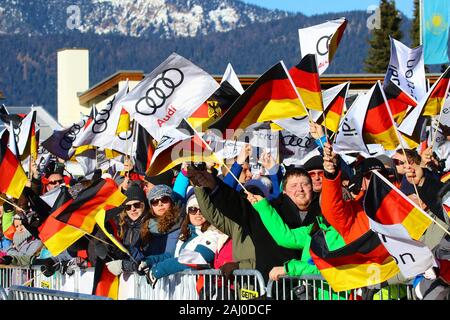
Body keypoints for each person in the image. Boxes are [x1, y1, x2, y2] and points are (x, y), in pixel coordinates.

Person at [188, 166, 320, 282]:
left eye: (305, 184)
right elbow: (237, 206)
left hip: (319, 289)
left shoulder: (322, 215)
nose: (300, 189)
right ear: (283, 191)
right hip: (276, 286)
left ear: (312, 188)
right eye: (294, 185)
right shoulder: (268, 210)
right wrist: (215, 186)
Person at [138, 192, 225, 286]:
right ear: (188, 212)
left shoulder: (214, 233)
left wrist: (159, 270)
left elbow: (195, 258)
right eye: (193, 209)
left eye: (202, 210)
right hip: (181, 289)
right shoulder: (187, 233)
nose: (198, 213)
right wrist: (149, 261)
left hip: (198, 289)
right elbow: (173, 256)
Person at [105, 183, 152, 276]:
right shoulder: (123, 226)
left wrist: (126, 265)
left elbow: (148, 257)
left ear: (144, 205)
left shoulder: (151, 225)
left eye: (137, 205)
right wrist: (114, 251)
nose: (133, 209)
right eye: (128, 206)